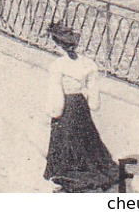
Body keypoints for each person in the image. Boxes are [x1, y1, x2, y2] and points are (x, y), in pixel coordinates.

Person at [44, 21, 115, 192]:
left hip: (67, 105)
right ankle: (94, 168)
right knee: (86, 136)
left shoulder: (58, 65)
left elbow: (56, 93)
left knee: (66, 138)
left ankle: (68, 174)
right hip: (81, 105)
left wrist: (54, 111)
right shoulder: (87, 63)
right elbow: (93, 90)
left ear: (58, 44)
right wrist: (93, 103)